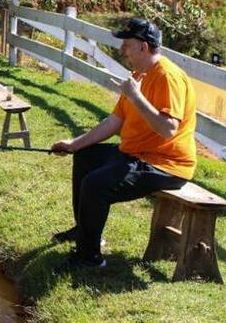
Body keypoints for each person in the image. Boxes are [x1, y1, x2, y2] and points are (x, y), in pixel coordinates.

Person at [50, 18, 196, 268]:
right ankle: (85, 232)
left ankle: (90, 258)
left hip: (166, 164)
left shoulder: (167, 77)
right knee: (85, 157)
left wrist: (136, 96)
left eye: (127, 45)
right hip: (137, 154)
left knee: (96, 184)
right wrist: (74, 144)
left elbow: (168, 129)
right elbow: (115, 121)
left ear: (143, 47)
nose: (122, 50)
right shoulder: (138, 75)